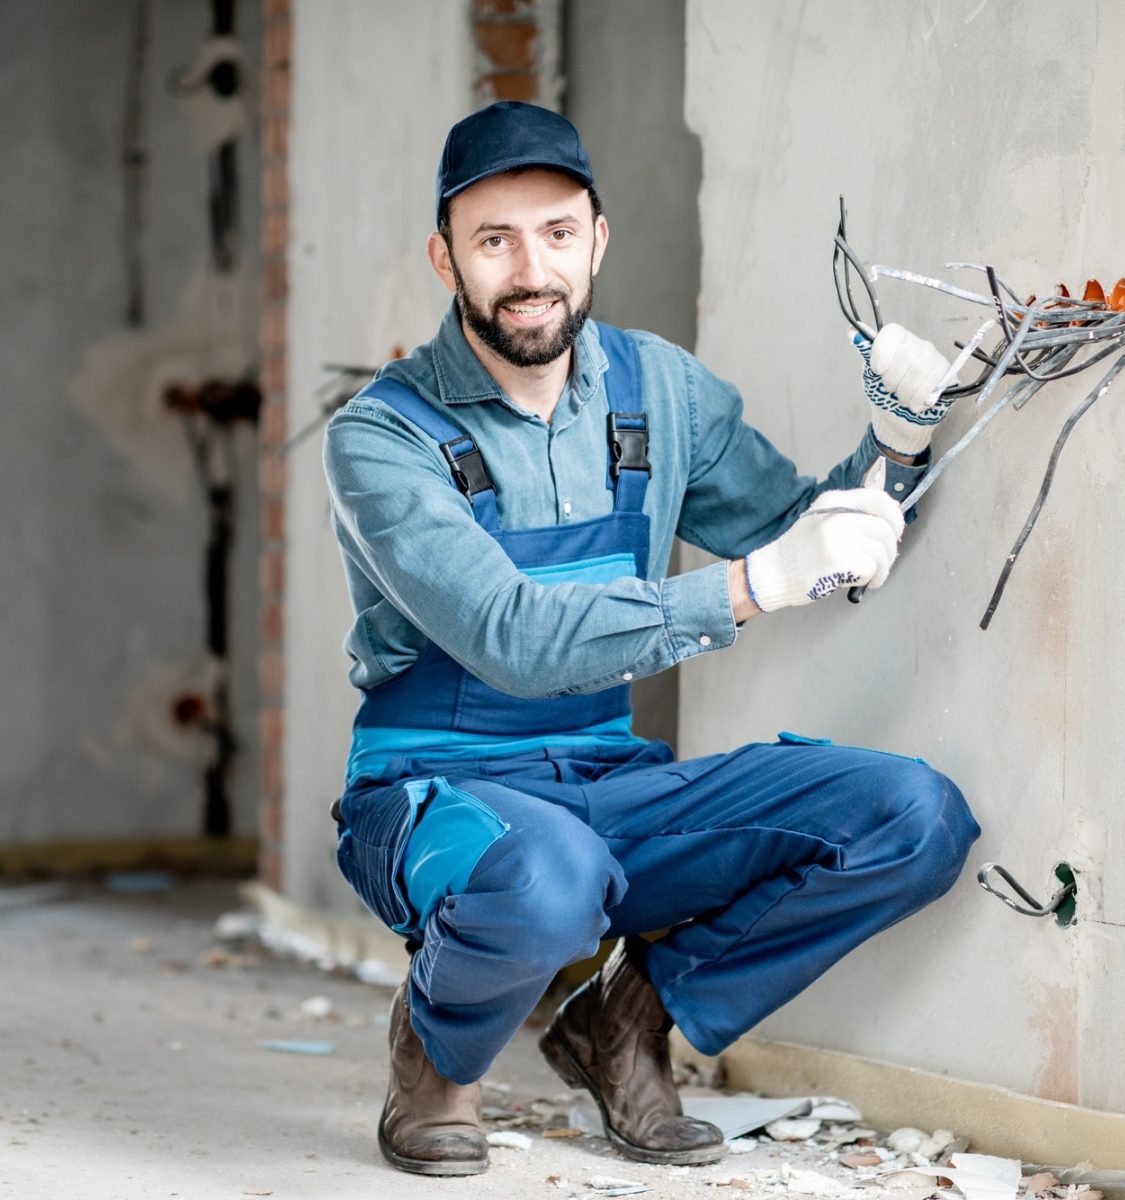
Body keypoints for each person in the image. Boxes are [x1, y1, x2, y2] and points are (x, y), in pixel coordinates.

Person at [323, 101, 980, 1178]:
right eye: (495, 240)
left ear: (598, 238)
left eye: (557, 232)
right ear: (445, 258)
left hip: (605, 779)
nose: (531, 269)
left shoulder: (659, 391)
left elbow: (790, 534)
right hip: (435, 793)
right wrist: (745, 590)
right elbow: (510, 635)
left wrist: (898, 441)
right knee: (550, 878)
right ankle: (434, 1064)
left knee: (911, 817)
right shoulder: (384, 436)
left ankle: (625, 1021)